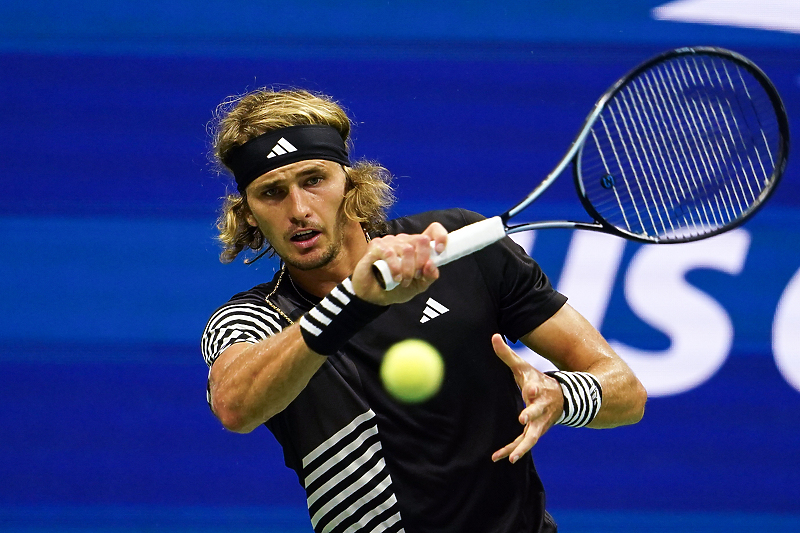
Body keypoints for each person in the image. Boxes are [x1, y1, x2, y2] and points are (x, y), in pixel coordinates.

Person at [201, 88, 647, 533]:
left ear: (350, 184)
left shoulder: (463, 247)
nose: (298, 209)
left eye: (314, 180)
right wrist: (353, 300)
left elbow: (626, 392)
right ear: (250, 214)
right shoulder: (255, 318)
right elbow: (235, 406)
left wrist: (561, 395)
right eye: (271, 193)